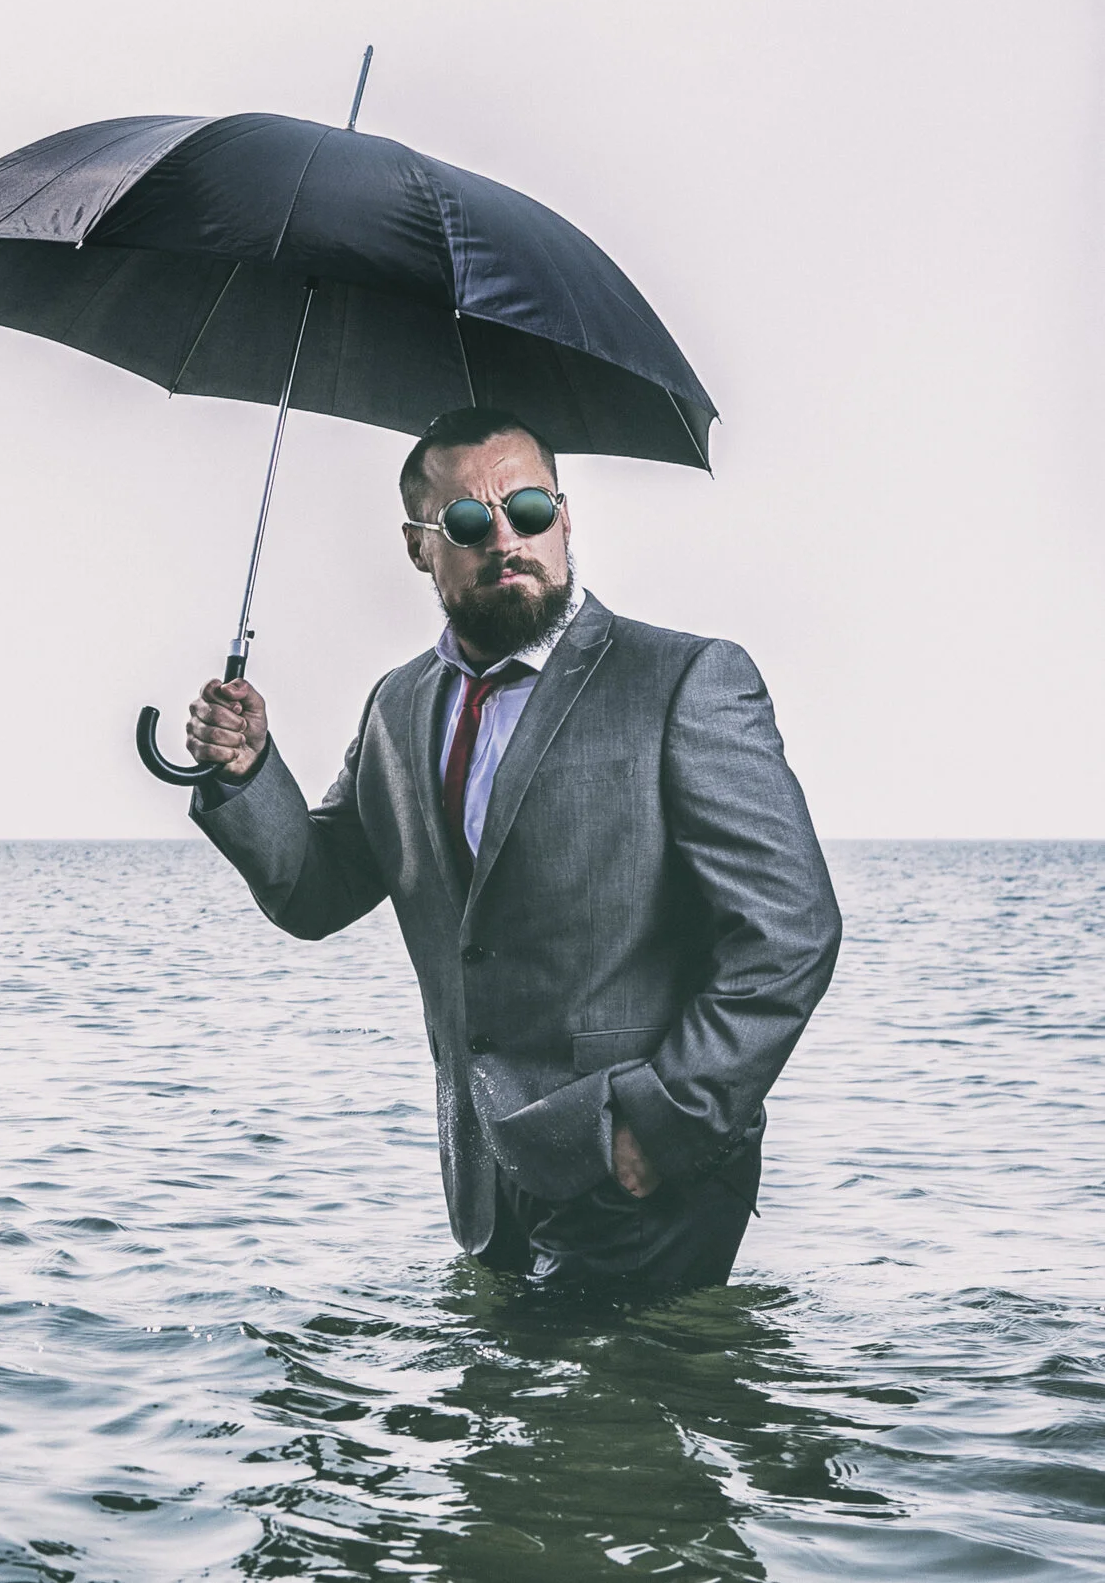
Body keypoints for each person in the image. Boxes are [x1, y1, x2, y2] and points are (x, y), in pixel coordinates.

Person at [185, 406, 839, 1290]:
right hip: (486, 1172)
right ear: (420, 545)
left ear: (565, 518)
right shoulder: (398, 706)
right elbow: (315, 888)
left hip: (644, 1169)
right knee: (507, 1421)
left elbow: (789, 930)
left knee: (625, 1415)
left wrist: (664, 1117)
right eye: (467, 521)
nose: (506, 538)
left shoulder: (684, 679)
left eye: (528, 509)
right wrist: (248, 769)